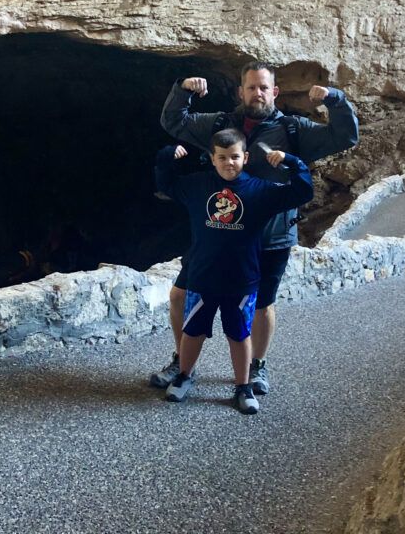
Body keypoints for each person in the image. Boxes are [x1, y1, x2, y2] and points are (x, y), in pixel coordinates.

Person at [153, 61, 359, 395]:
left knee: (261, 305)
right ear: (241, 91)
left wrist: (335, 99)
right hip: (217, 233)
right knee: (180, 295)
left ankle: (256, 367)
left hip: (270, 237)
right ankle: (183, 362)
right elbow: (173, 120)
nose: (257, 93)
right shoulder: (221, 125)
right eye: (251, 87)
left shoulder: (293, 129)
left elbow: (346, 135)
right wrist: (182, 90)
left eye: (264, 87)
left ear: (274, 92)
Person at [154, 129, 313, 414]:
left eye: (235, 157)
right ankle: (185, 375)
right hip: (202, 276)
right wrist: (167, 156)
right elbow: (165, 182)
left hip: (243, 279)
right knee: (192, 331)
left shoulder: (260, 190)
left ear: (246, 157)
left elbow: (302, 192)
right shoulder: (198, 186)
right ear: (212, 159)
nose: (229, 163)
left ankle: (243, 386)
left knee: (239, 335)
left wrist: (293, 162)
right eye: (223, 157)